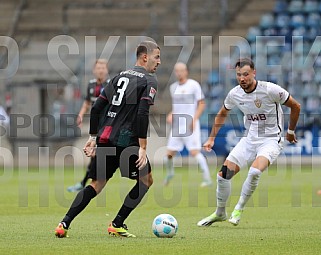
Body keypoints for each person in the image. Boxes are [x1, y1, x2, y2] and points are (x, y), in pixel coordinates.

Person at [55, 40, 161, 238]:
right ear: (145, 57)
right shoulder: (149, 80)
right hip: (127, 141)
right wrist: (143, 146)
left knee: (96, 184)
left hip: (105, 138)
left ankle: (64, 223)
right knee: (146, 180)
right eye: (157, 56)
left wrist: (93, 136)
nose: (159, 62)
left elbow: (96, 108)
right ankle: (117, 223)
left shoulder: (119, 76)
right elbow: (142, 112)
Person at [197, 58, 300, 227]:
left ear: (254, 73)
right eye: (239, 75)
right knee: (223, 176)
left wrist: (290, 132)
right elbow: (222, 113)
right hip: (249, 140)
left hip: (271, 140)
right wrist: (211, 138)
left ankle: (238, 209)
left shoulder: (270, 90)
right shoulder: (235, 94)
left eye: (245, 74)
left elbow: (296, 106)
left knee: (254, 172)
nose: (242, 78)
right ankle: (220, 213)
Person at [164, 62, 212, 187]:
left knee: (194, 152)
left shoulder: (193, 85)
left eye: (181, 70)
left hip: (190, 124)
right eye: (177, 71)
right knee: (169, 154)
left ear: (186, 71)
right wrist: (171, 114)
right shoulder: (173, 87)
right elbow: (177, 107)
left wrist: (194, 119)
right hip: (177, 126)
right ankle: (170, 173)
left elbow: (202, 103)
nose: (179, 73)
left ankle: (207, 178)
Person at [67, 59, 109, 192]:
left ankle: (85, 183)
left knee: (97, 154)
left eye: (103, 68)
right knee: (95, 154)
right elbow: (87, 103)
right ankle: (87, 182)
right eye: (98, 68)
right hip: (96, 125)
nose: (101, 70)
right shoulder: (91, 85)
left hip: (108, 125)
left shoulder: (111, 86)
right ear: (94, 70)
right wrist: (80, 115)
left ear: (106, 70)